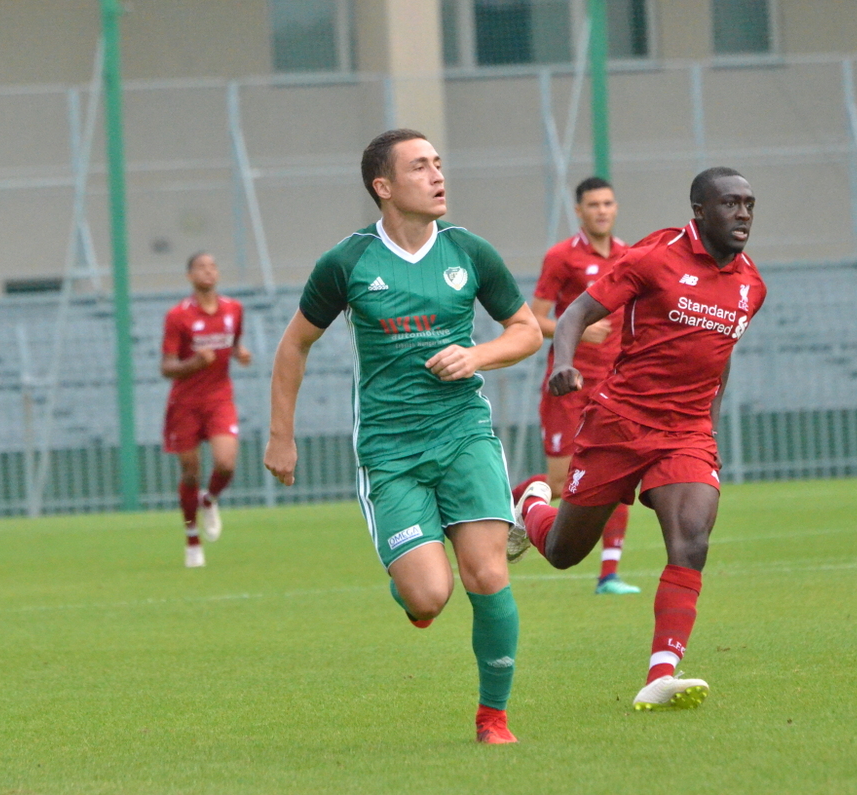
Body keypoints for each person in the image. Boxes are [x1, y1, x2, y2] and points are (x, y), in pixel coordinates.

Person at [264, 129, 542, 744]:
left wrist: (478, 357)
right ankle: (416, 586)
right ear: (383, 187)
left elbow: (526, 330)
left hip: (464, 434)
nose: (438, 175)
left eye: (439, 163)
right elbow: (294, 344)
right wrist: (281, 437)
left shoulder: (469, 252)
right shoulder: (348, 262)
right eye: (420, 167)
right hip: (391, 452)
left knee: (487, 575)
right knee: (428, 596)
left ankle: (492, 719)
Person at [507, 167, 766, 712]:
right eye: (729, 203)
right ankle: (532, 500)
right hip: (620, 421)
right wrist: (565, 364)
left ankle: (661, 672)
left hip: (686, 431)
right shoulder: (655, 257)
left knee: (691, 539)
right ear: (699, 210)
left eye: (748, 204)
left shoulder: (751, 285)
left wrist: (709, 430)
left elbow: (719, 361)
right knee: (562, 552)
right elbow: (577, 311)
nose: (742, 214)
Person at [511, 176, 639, 596]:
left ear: (616, 208)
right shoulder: (562, 257)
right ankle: (513, 502)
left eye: (608, 203)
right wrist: (578, 331)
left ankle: (609, 574)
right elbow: (534, 318)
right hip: (568, 387)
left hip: (613, 388)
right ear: (580, 211)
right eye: (593, 204)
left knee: (618, 475)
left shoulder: (630, 257)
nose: (602, 210)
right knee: (564, 484)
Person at [161, 252, 252, 568]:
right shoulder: (178, 316)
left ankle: (209, 499)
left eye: (213, 266)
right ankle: (191, 539)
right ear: (189, 276)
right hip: (185, 403)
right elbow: (167, 366)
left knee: (225, 464)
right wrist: (194, 363)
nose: (209, 271)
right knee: (190, 472)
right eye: (201, 267)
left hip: (218, 399)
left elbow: (235, 338)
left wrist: (239, 352)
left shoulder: (234, 309)